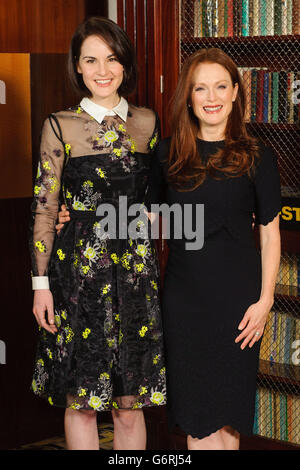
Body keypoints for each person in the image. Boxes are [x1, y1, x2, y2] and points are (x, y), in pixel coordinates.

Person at [57, 47, 281, 450]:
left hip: (239, 304)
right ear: (189, 97)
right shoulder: (167, 153)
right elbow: (149, 218)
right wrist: (79, 216)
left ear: (235, 93)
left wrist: (266, 301)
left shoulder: (258, 157)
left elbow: (269, 234)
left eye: (220, 87)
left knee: (229, 420)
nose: (210, 97)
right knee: (197, 420)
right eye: (200, 89)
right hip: (183, 301)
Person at [29, 16, 166, 451]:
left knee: (130, 403)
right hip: (77, 279)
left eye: (111, 58)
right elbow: (45, 208)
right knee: (83, 401)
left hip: (136, 277)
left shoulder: (147, 123)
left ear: (125, 64)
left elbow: (161, 201)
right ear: (78, 66)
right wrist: (40, 285)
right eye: (90, 60)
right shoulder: (61, 125)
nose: (102, 70)